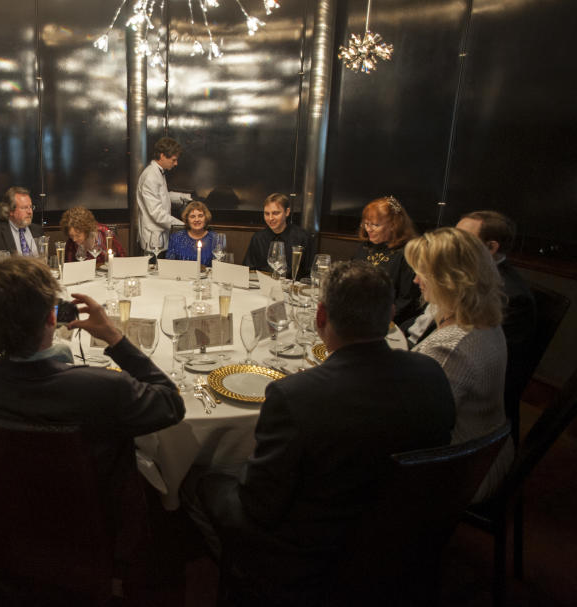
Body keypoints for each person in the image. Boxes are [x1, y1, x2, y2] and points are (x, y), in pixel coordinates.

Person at [197, 261, 455, 605]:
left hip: (312, 557)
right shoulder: (431, 373)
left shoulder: (295, 395)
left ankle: (250, 582)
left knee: (199, 481)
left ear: (320, 317)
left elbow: (258, 506)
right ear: (390, 315)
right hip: (401, 542)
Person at [0, 257, 185, 551]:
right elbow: (172, 403)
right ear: (52, 318)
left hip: (7, 517)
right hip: (96, 528)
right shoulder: (105, 388)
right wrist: (113, 336)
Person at [407, 227, 515, 502]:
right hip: (487, 448)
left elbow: (414, 428)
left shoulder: (453, 346)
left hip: (464, 468)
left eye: (423, 273)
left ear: (450, 280)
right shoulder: (484, 319)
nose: (416, 279)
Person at [456, 210, 537, 434]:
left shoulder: (511, 297)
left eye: (461, 238)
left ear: (491, 247)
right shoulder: (466, 272)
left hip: (474, 412)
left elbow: (482, 365)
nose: (452, 243)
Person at [352, 195, 422, 325]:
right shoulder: (366, 246)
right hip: (358, 314)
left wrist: (378, 318)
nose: (368, 229)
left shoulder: (407, 253)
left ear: (394, 225)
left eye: (375, 225)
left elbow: (407, 301)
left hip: (387, 322)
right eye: (366, 223)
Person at [136, 137, 192, 257]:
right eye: (173, 160)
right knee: (154, 274)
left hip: (159, 236)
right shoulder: (151, 176)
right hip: (153, 241)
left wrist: (187, 197)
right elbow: (156, 213)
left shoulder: (157, 172)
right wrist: (183, 226)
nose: (176, 163)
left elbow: (163, 195)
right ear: (162, 156)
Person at [243, 192, 313, 278]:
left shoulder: (302, 238)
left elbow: (309, 274)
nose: (270, 218)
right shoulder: (258, 238)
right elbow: (248, 269)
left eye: (275, 213)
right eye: (267, 214)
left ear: (287, 212)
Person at [60, 205, 125, 264]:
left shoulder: (103, 233)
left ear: (86, 230)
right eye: (71, 236)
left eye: (78, 235)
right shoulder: (71, 242)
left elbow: (121, 256)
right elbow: (69, 265)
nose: (74, 239)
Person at [166, 200, 216, 266]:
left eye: (200, 216)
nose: (197, 220)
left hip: (208, 276)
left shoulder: (215, 238)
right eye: (192, 216)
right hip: (181, 275)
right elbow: (169, 265)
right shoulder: (176, 237)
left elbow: (220, 266)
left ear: (206, 218)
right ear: (187, 220)